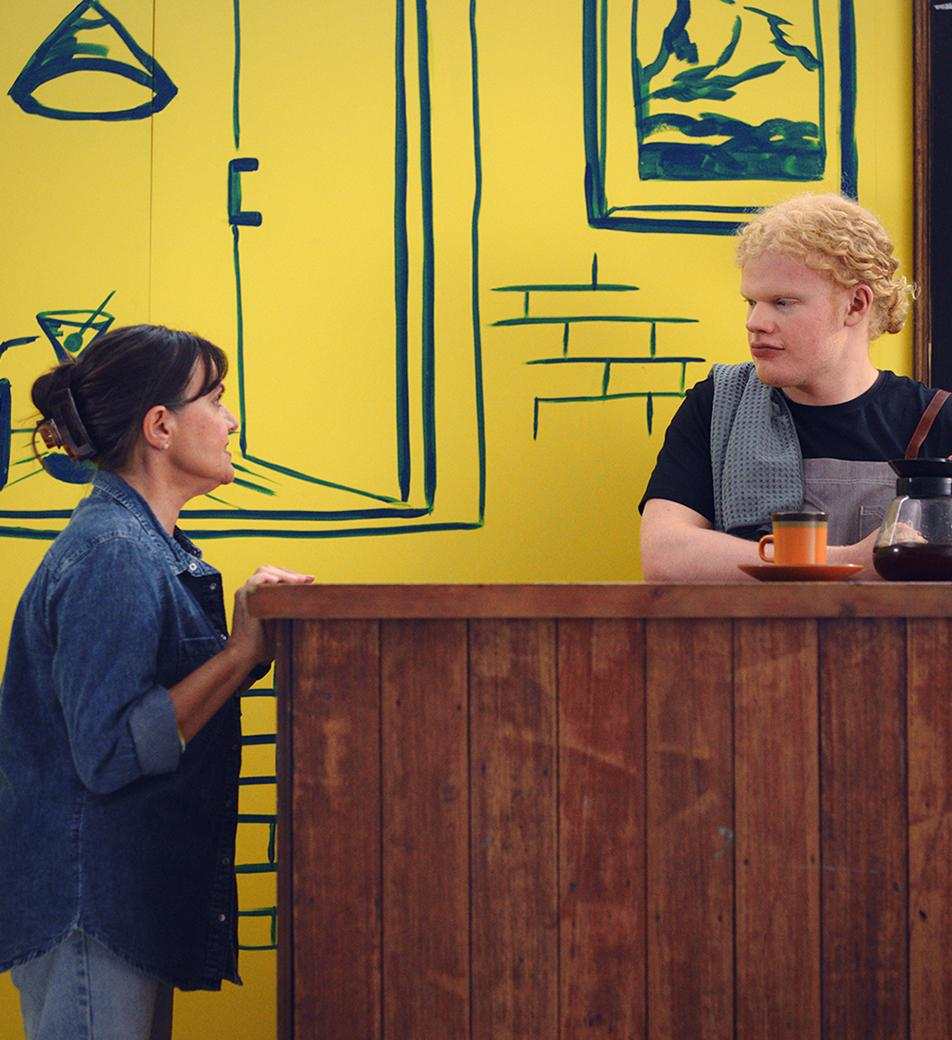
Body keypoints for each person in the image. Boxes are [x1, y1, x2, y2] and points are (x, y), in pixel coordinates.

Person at [0, 325, 313, 1039]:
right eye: (217, 399)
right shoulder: (113, 552)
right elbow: (109, 752)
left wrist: (247, 646)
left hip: (114, 906)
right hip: (90, 912)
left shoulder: (142, 545)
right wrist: (236, 655)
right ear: (161, 426)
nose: (231, 420)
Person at [639, 193, 952, 581]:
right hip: (747, 643)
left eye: (782, 302)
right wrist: (850, 562)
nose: (755, 322)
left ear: (856, 304)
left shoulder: (937, 420)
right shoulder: (718, 406)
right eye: (751, 302)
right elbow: (665, 556)